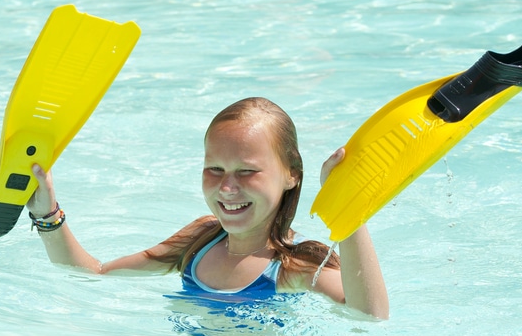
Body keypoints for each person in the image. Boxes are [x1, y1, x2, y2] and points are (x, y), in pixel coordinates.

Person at [24, 97, 389, 319]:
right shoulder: (200, 241)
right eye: (215, 169)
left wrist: (350, 212)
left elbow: (370, 315)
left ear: (292, 176)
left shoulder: (296, 263)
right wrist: (47, 213)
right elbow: (95, 273)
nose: (228, 188)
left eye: (247, 172)